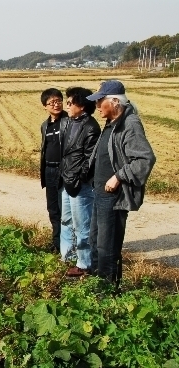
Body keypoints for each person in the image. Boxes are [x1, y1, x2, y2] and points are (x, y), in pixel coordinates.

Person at [86, 80, 156, 291]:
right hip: (99, 192)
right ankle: (96, 284)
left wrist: (118, 176)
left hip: (113, 196)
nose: (97, 107)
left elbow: (145, 159)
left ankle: (106, 292)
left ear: (115, 102)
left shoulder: (130, 124)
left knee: (107, 246)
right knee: (95, 242)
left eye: (100, 102)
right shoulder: (112, 122)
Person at [60, 87, 101, 277]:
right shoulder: (69, 122)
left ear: (82, 106)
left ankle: (85, 265)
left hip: (80, 185)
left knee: (82, 226)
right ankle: (70, 256)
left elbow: (89, 160)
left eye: (70, 103)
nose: (66, 106)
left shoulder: (91, 127)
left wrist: (78, 178)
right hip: (67, 180)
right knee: (67, 220)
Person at [39, 88, 67, 254]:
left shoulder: (68, 121)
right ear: (45, 106)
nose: (56, 105)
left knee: (66, 211)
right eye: (52, 102)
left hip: (64, 171)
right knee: (53, 210)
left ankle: (68, 246)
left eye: (59, 101)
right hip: (49, 170)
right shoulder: (45, 126)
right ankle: (57, 244)